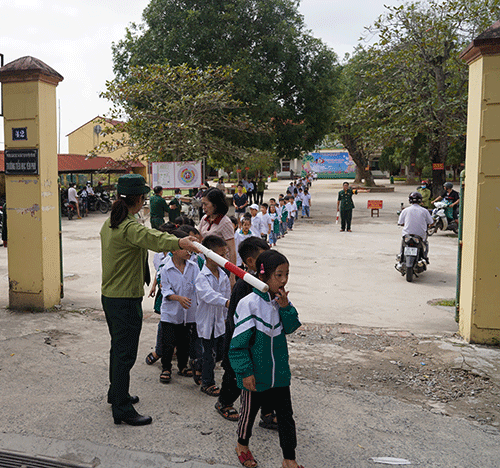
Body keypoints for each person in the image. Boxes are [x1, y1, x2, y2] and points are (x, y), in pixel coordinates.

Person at [100, 174, 198, 426]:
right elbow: (152, 239)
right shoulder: (129, 227)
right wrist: (179, 241)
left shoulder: (113, 222)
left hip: (111, 296)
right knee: (125, 354)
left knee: (117, 349)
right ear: (140, 199)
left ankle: (116, 393)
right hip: (124, 299)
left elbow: (145, 235)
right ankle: (121, 409)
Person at [229, 250, 303, 468]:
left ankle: (289, 459)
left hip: (279, 373)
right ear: (262, 277)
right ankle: (242, 445)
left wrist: (286, 307)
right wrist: (245, 372)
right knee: (248, 413)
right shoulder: (249, 304)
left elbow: (291, 327)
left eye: (286, 274)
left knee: (286, 417)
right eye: (278, 275)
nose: (284, 280)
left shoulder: (281, 301)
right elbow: (238, 345)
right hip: (256, 373)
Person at [215, 237, 275, 427]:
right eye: (263, 256)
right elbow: (235, 318)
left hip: (262, 342)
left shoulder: (266, 282)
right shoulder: (244, 285)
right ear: (250, 262)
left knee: (265, 378)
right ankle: (224, 402)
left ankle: (267, 412)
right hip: (241, 342)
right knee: (234, 378)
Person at [158, 230, 199, 384]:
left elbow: (198, 286)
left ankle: (182, 366)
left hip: (187, 313)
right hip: (170, 313)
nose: (188, 251)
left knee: (184, 342)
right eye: (184, 249)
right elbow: (166, 290)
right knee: (168, 342)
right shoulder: (165, 268)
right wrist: (178, 298)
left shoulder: (193, 267)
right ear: (174, 250)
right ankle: (166, 368)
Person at [194, 235, 231, 397]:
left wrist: (227, 314)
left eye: (225, 255)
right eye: (221, 255)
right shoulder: (202, 277)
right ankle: (208, 383)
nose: (224, 258)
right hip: (207, 322)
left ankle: (197, 364)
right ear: (209, 256)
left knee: (219, 353)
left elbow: (226, 294)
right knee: (210, 355)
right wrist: (227, 303)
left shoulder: (223, 275)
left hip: (220, 322)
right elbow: (209, 296)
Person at [197, 188, 237, 271]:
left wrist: (233, 274)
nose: (203, 207)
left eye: (206, 204)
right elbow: (199, 239)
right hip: (206, 264)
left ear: (215, 205)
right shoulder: (204, 219)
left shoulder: (225, 222)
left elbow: (232, 250)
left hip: (221, 267)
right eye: (202, 204)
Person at [397, 192, 434, 267]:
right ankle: (424, 258)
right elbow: (431, 222)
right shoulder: (424, 211)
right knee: (425, 244)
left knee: (403, 243)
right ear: (420, 200)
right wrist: (429, 226)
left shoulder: (405, 210)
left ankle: (401, 256)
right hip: (420, 235)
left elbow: (400, 222)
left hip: (407, 234)